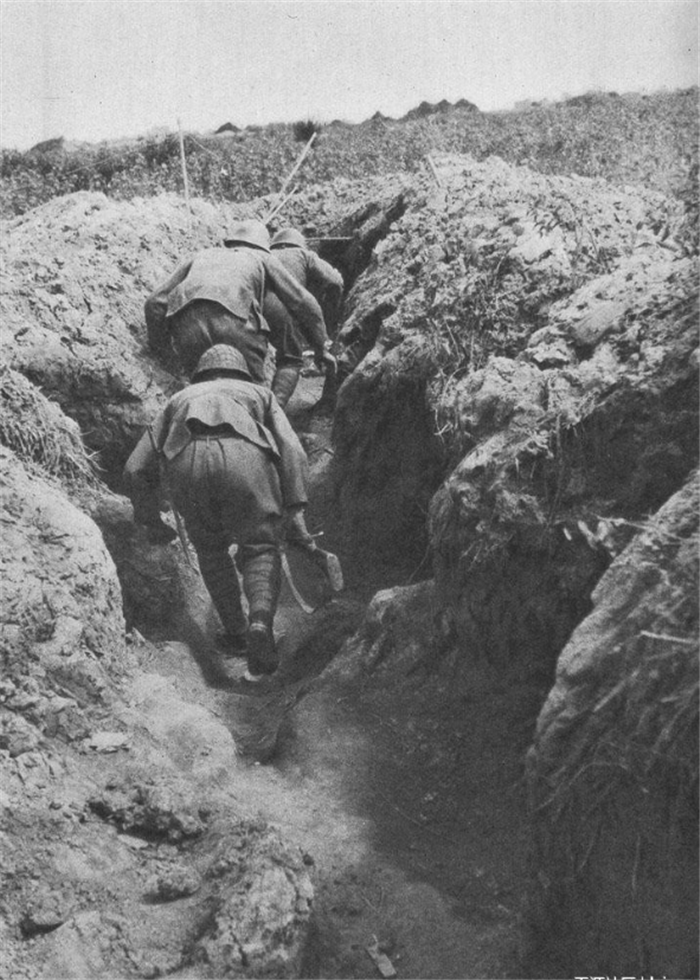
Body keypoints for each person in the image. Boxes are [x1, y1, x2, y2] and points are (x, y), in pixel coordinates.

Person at [123, 343, 318, 684]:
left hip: (186, 464)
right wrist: (296, 508)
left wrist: (150, 519)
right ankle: (260, 622)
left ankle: (236, 632)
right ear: (241, 371)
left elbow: (135, 468)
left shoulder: (178, 399)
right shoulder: (259, 393)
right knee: (260, 547)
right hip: (245, 462)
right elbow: (292, 449)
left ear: (200, 374)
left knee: (211, 550)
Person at [144, 220, 336, 384]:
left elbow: (154, 302)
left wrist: (164, 353)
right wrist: (321, 347)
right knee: (250, 393)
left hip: (187, 327)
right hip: (236, 324)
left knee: (200, 386)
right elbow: (303, 302)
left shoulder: (200, 255)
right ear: (263, 245)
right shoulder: (262, 257)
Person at [264, 227, 344, 408]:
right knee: (290, 359)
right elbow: (335, 281)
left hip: (252, 309)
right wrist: (332, 313)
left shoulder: (264, 255)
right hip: (282, 310)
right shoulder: (304, 255)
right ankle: (274, 413)